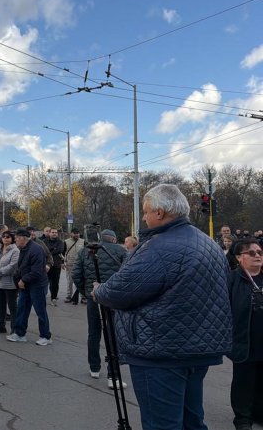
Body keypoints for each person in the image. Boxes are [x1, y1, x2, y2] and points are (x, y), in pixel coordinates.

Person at [94, 184, 231, 430]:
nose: (144, 217)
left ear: (160, 212)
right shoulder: (208, 243)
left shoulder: (160, 247)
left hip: (161, 352)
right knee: (192, 421)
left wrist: (98, 291)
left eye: (146, 212)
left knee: (162, 424)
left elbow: (119, 292)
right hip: (198, 349)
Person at [71, 229, 128, 387]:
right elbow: (127, 275)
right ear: (114, 239)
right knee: (113, 335)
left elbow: (76, 274)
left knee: (94, 332)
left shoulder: (85, 251)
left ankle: (94, 368)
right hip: (113, 299)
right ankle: (113, 375)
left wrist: (86, 292)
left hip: (93, 297)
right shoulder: (121, 251)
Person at [226, 238, 263, 430]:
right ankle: (242, 419)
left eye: (259, 252)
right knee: (244, 382)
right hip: (244, 341)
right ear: (240, 258)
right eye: (251, 253)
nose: (257, 255)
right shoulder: (232, 279)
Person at [7, 229, 52, 346]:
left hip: (37, 285)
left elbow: (37, 271)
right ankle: (20, 334)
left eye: (16, 237)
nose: (15, 239)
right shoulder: (23, 249)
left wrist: (23, 280)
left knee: (40, 311)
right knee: (22, 309)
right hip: (25, 286)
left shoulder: (36, 250)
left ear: (23, 238)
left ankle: (45, 336)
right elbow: (21, 266)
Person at [0, 230, 19, 334]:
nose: (5, 238)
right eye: (4, 236)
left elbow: (13, 266)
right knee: (1, 305)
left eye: (8, 237)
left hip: (9, 282)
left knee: (12, 306)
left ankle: (14, 328)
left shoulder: (15, 250)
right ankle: (1, 326)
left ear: (12, 239)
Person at [42, 228, 65, 306]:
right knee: (45, 282)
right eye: (52, 232)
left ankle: (53, 298)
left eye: (55, 232)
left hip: (56, 265)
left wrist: (49, 251)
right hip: (46, 265)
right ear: (49, 233)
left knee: (55, 283)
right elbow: (43, 251)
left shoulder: (60, 242)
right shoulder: (44, 241)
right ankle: (42, 297)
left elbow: (60, 250)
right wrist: (52, 250)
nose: (54, 233)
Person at [63, 228, 85, 305]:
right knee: (70, 281)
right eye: (75, 233)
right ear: (71, 234)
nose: (76, 234)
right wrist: (64, 262)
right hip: (70, 264)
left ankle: (83, 297)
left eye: (78, 233)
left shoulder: (83, 241)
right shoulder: (66, 242)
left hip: (81, 265)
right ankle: (69, 296)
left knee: (81, 281)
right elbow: (62, 253)